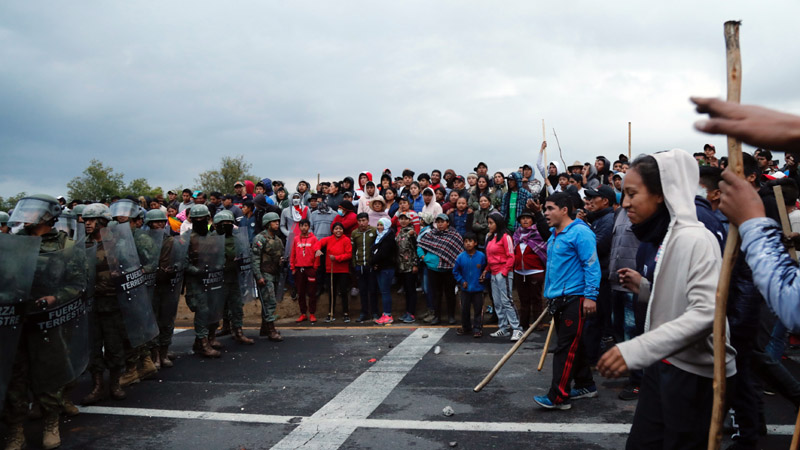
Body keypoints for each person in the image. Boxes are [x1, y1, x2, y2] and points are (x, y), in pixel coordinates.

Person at [597, 150, 737, 448]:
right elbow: (679, 298)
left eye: (633, 193)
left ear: (662, 193)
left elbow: (705, 313)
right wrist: (647, 288)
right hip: (662, 364)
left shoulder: (696, 239)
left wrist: (636, 350)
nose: (625, 203)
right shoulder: (666, 236)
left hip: (693, 374)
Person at [3, 195, 86, 450]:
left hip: (48, 321)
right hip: (14, 321)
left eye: (33, 212)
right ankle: (16, 430)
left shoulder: (66, 246)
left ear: (48, 216)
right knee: (15, 377)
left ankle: (51, 421)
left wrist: (54, 298)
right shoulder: (12, 244)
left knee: (50, 373)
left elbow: (77, 284)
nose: (27, 216)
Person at [533, 192, 599, 411]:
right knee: (573, 345)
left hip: (575, 299)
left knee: (564, 349)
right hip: (558, 299)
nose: (546, 213)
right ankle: (586, 385)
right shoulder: (554, 234)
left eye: (550, 208)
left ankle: (558, 396)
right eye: (545, 209)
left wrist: (590, 296)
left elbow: (591, 264)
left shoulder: (580, 232)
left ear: (564, 209)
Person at [581, 185, 616, 364]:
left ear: (605, 201)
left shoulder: (608, 220)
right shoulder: (598, 219)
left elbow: (597, 247)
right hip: (598, 275)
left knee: (595, 322)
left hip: (602, 277)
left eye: (595, 198)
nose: (590, 201)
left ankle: (591, 360)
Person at [211, 211, 254, 345]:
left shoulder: (236, 239)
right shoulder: (211, 239)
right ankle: (212, 335)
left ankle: (238, 331)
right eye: (225, 224)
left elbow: (245, 253)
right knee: (217, 307)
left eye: (230, 223)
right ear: (217, 225)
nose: (228, 226)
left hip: (234, 277)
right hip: (217, 278)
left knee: (236, 306)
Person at [483, 213, 523, 341]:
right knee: (497, 301)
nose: (489, 225)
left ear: (498, 223)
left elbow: (511, 256)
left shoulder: (506, 237)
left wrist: (505, 272)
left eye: (491, 223)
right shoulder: (489, 238)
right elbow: (489, 257)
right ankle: (503, 327)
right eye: (488, 223)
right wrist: (487, 270)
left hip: (503, 272)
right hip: (494, 272)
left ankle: (517, 328)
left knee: (507, 300)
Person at [417, 214, 463, 325]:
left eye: (442, 221)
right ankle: (436, 317)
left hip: (449, 269)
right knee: (436, 294)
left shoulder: (455, 236)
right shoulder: (430, 234)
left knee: (450, 294)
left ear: (448, 222)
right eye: (438, 222)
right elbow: (420, 246)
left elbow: (459, 252)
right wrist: (424, 258)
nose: (440, 224)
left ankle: (451, 316)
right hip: (433, 269)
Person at [251, 212, 284, 342]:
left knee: (269, 301)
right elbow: (255, 258)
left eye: (278, 221)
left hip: (274, 273)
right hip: (265, 273)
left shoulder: (278, 240)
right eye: (274, 221)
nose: (277, 223)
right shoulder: (260, 238)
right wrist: (258, 276)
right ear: (267, 223)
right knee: (269, 302)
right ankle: (271, 330)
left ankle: (264, 328)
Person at [512, 210, 547, 330]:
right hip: (519, 272)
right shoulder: (516, 235)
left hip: (535, 271)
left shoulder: (538, 234)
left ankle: (538, 323)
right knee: (523, 299)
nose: (525, 220)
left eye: (528, 218)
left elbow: (543, 252)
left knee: (536, 298)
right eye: (523, 218)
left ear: (532, 220)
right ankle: (524, 323)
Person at [314, 222, 353, 322]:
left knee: (343, 291)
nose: (338, 231)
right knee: (331, 292)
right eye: (336, 229)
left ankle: (346, 313)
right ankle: (330, 312)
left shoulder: (346, 240)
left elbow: (349, 254)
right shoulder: (328, 239)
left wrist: (337, 258)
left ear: (343, 230)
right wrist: (318, 249)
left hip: (343, 270)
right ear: (332, 230)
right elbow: (318, 243)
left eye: (340, 229)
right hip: (330, 270)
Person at [453, 232, 488, 338]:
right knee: (464, 309)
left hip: (478, 288)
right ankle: (466, 327)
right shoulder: (460, 257)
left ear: (475, 243)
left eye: (470, 241)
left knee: (478, 309)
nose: (468, 244)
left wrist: (484, 277)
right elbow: (455, 271)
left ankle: (477, 328)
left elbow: (486, 270)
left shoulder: (481, 256)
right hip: (465, 289)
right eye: (466, 241)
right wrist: (461, 280)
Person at [290, 218, 320, 323]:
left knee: (312, 292)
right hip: (299, 269)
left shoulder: (314, 239)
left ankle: (312, 313)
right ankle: (303, 314)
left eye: (306, 226)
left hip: (310, 269)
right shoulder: (296, 239)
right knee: (300, 292)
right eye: (302, 226)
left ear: (309, 227)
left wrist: (315, 267)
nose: (304, 228)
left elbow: (318, 253)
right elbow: (293, 253)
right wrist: (292, 267)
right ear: (299, 227)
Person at [351, 213, 378, 322]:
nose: (362, 223)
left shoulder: (374, 231)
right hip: (359, 265)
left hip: (370, 265)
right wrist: (354, 264)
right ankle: (364, 313)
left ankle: (375, 312)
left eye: (364, 220)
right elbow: (352, 250)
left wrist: (375, 262)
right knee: (362, 291)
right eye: (360, 221)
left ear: (368, 220)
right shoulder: (354, 233)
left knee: (373, 290)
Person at [372, 218, 398, 325]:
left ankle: (388, 314)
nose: (379, 227)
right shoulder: (379, 237)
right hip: (380, 267)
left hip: (386, 268)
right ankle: (385, 314)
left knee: (385, 291)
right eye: (378, 225)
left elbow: (383, 254)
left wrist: (373, 262)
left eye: (381, 225)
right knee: (383, 292)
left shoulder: (388, 238)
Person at [395, 211, 419, 323]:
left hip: (410, 266)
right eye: (401, 219)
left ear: (409, 220)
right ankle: (407, 311)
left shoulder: (411, 232)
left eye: (405, 219)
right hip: (402, 266)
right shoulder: (400, 232)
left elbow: (415, 249)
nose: (403, 221)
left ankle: (412, 313)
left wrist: (415, 264)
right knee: (406, 290)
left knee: (411, 290)